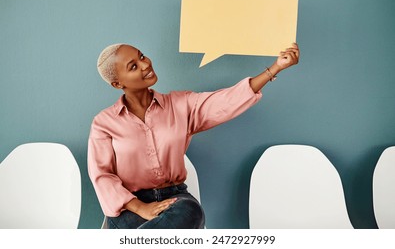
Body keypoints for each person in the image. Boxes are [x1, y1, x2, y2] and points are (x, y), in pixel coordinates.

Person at [88, 42, 300, 229]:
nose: (145, 65)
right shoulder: (104, 123)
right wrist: (141, 208)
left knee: (191, 213)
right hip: (130, 206)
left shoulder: (181, 105)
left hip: (176, 201)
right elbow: (102, 176)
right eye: (133, 66)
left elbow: (225, 101)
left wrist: (275, 68)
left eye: (141, 56)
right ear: (118, 84)